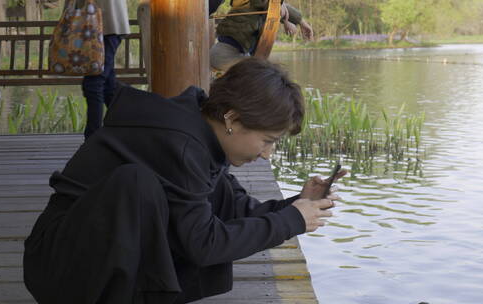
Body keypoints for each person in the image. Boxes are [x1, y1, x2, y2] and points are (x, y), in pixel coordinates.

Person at [23, 58, 345, 304]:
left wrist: (296, 205)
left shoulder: (199, 131)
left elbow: (231, 208)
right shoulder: (180, 143)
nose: (267, 155)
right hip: (60, 268)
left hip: (86, 259)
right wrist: (291, 221)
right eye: (268, 140)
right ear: (232, 119)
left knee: (211, 195)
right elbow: (204, 244)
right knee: (135, 184)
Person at [210, 0, 313, 71]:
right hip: (223, 54)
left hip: (238, 53)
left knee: (262, 70)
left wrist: (301, 22)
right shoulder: (256, 3)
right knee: (261, 71)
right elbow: (271, 5)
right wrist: (299, 22)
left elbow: (274, 6)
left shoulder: (262, 4)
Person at [81, 0, 130, 139]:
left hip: (105, 26)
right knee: (108, 88)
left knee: (93, 84)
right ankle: (131, 133)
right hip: (104, 24)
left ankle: (92, 140)